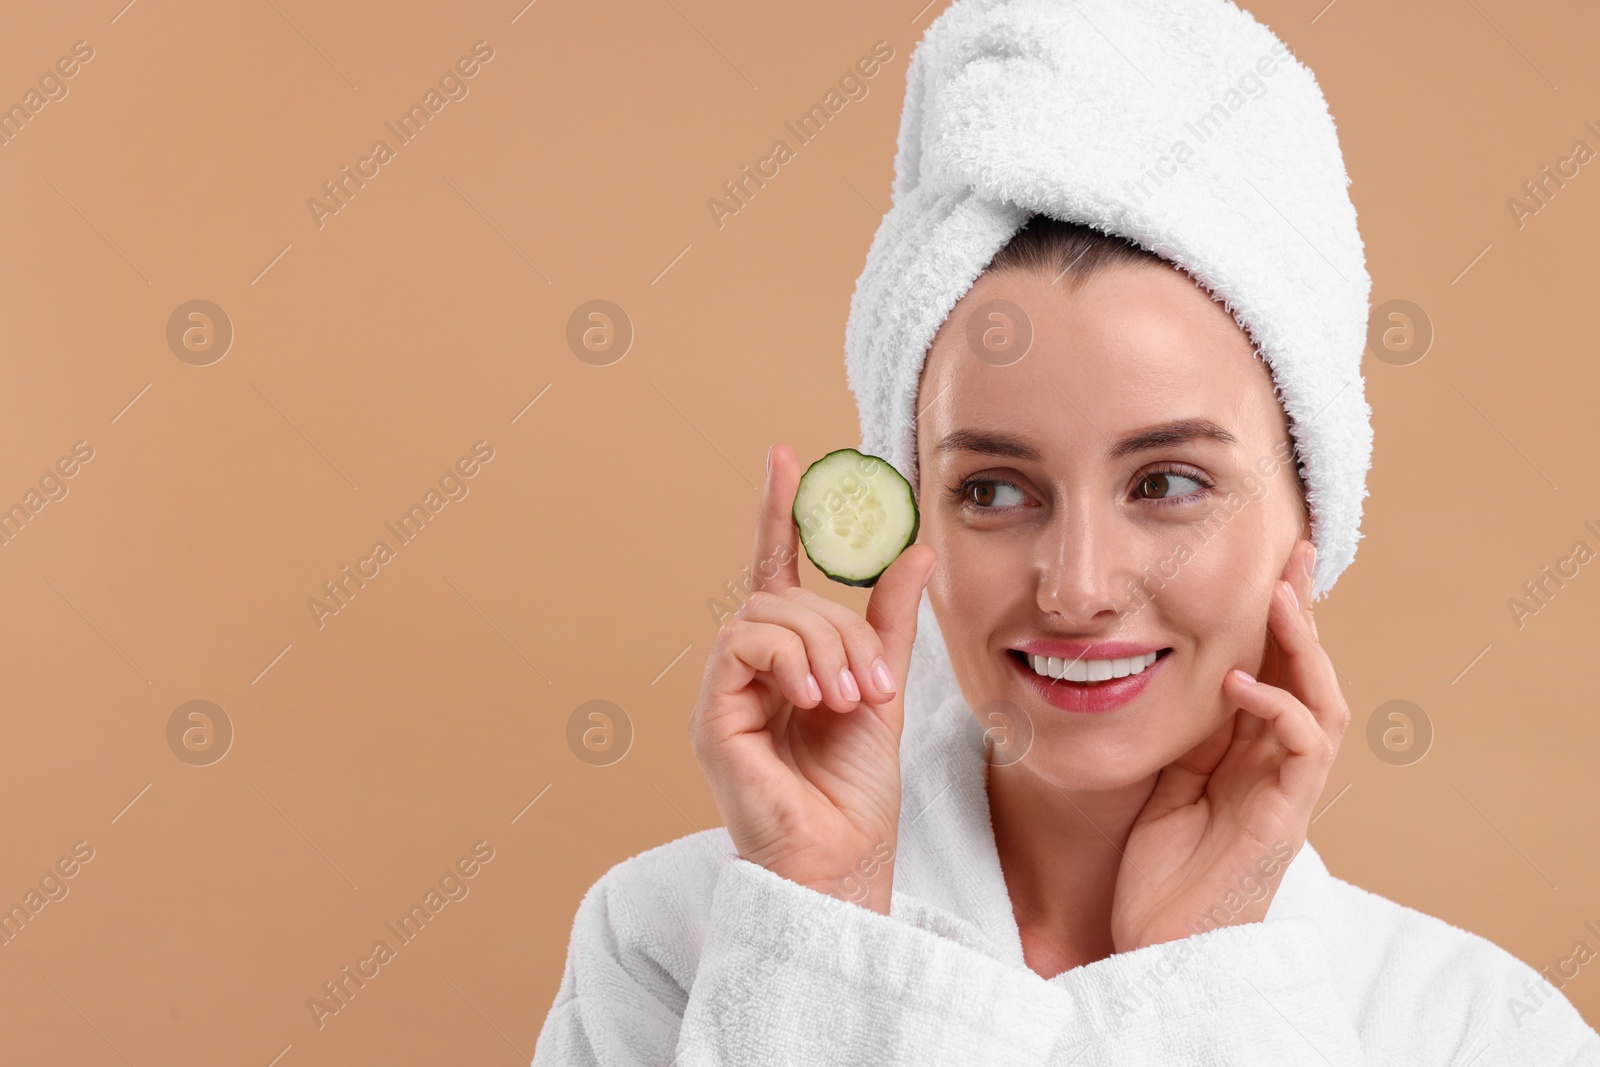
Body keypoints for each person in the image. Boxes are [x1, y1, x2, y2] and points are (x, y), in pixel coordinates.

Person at [532, 1, 1600, 1063]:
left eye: (1169, 481)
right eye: (994, 490)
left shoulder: (1476, 1031)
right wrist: (828, 924)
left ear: (1312, 508)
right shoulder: (670, 946)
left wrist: (1203, 981)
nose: (1077, 587)